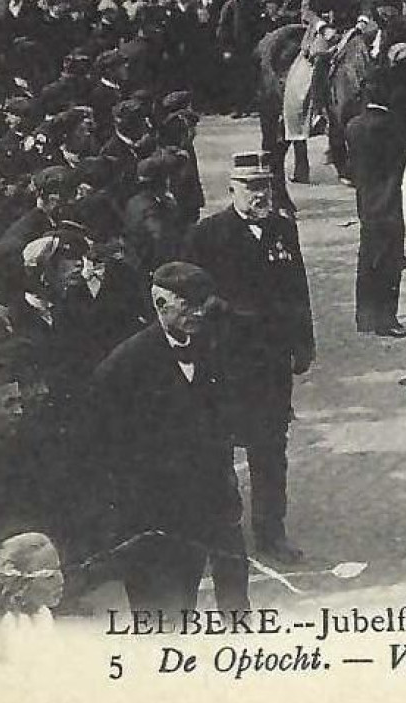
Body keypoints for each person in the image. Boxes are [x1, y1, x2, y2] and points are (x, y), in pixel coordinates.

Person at [93, 261, 249, 614]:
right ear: (160, 304)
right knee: (161, 610)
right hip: (153, 513)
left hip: (210, 498)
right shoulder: (124, 366)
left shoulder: (211, 345)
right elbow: (104, 445)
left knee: (221, 599)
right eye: (186, 306)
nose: (197, 313)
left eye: (201, 305)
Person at [183, 152, 315, 563]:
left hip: (272, 362)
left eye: (265, 186)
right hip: (225, 362)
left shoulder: (282, 230)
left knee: (271, 450)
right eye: (251, 187)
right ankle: (220, 531)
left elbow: (298, 287)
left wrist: (304, 342)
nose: (260, 194)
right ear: (232, 190)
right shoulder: (207, 235)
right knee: (219, 448)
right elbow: (188, 295)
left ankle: (271, 532)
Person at [344, 75, 406, 337]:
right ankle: (387, 319)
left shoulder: (353, 126)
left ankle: (364, 317)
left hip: (365, 201)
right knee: (390, 262)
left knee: (367, 258)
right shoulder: (394, 127)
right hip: (391, 203)